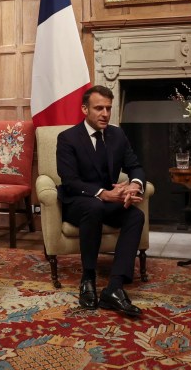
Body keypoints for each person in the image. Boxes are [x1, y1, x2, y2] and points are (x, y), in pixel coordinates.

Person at [56, 85, 146, 317]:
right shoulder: (67, 138)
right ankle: (88, 278)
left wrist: (134, 184)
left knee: (136, 215)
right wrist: (103, 194)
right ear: (85, 109)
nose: (105, 113)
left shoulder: (117, 134)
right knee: (94, 205)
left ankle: (114, 288)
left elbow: (134, 166)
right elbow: (69, 180)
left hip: (106, 202)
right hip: (78, 202)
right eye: (99, 108)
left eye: (108, 108)